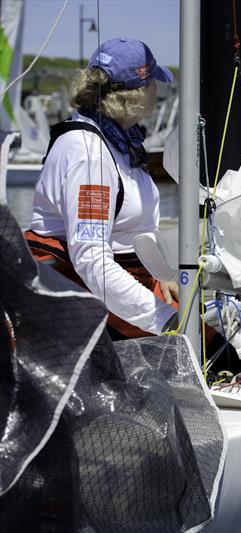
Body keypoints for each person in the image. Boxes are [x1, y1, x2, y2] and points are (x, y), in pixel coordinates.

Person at [25, 38, 178, 339]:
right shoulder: (89, 155)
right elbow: (91, 260)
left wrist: (164, 276)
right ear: (136, 95)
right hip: (85, 296)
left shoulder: (120, 140)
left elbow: (132, 231)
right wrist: (164, 319)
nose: (156, 91)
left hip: (123, 283)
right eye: (152, 84)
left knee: (218, 342)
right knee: (220, 353)